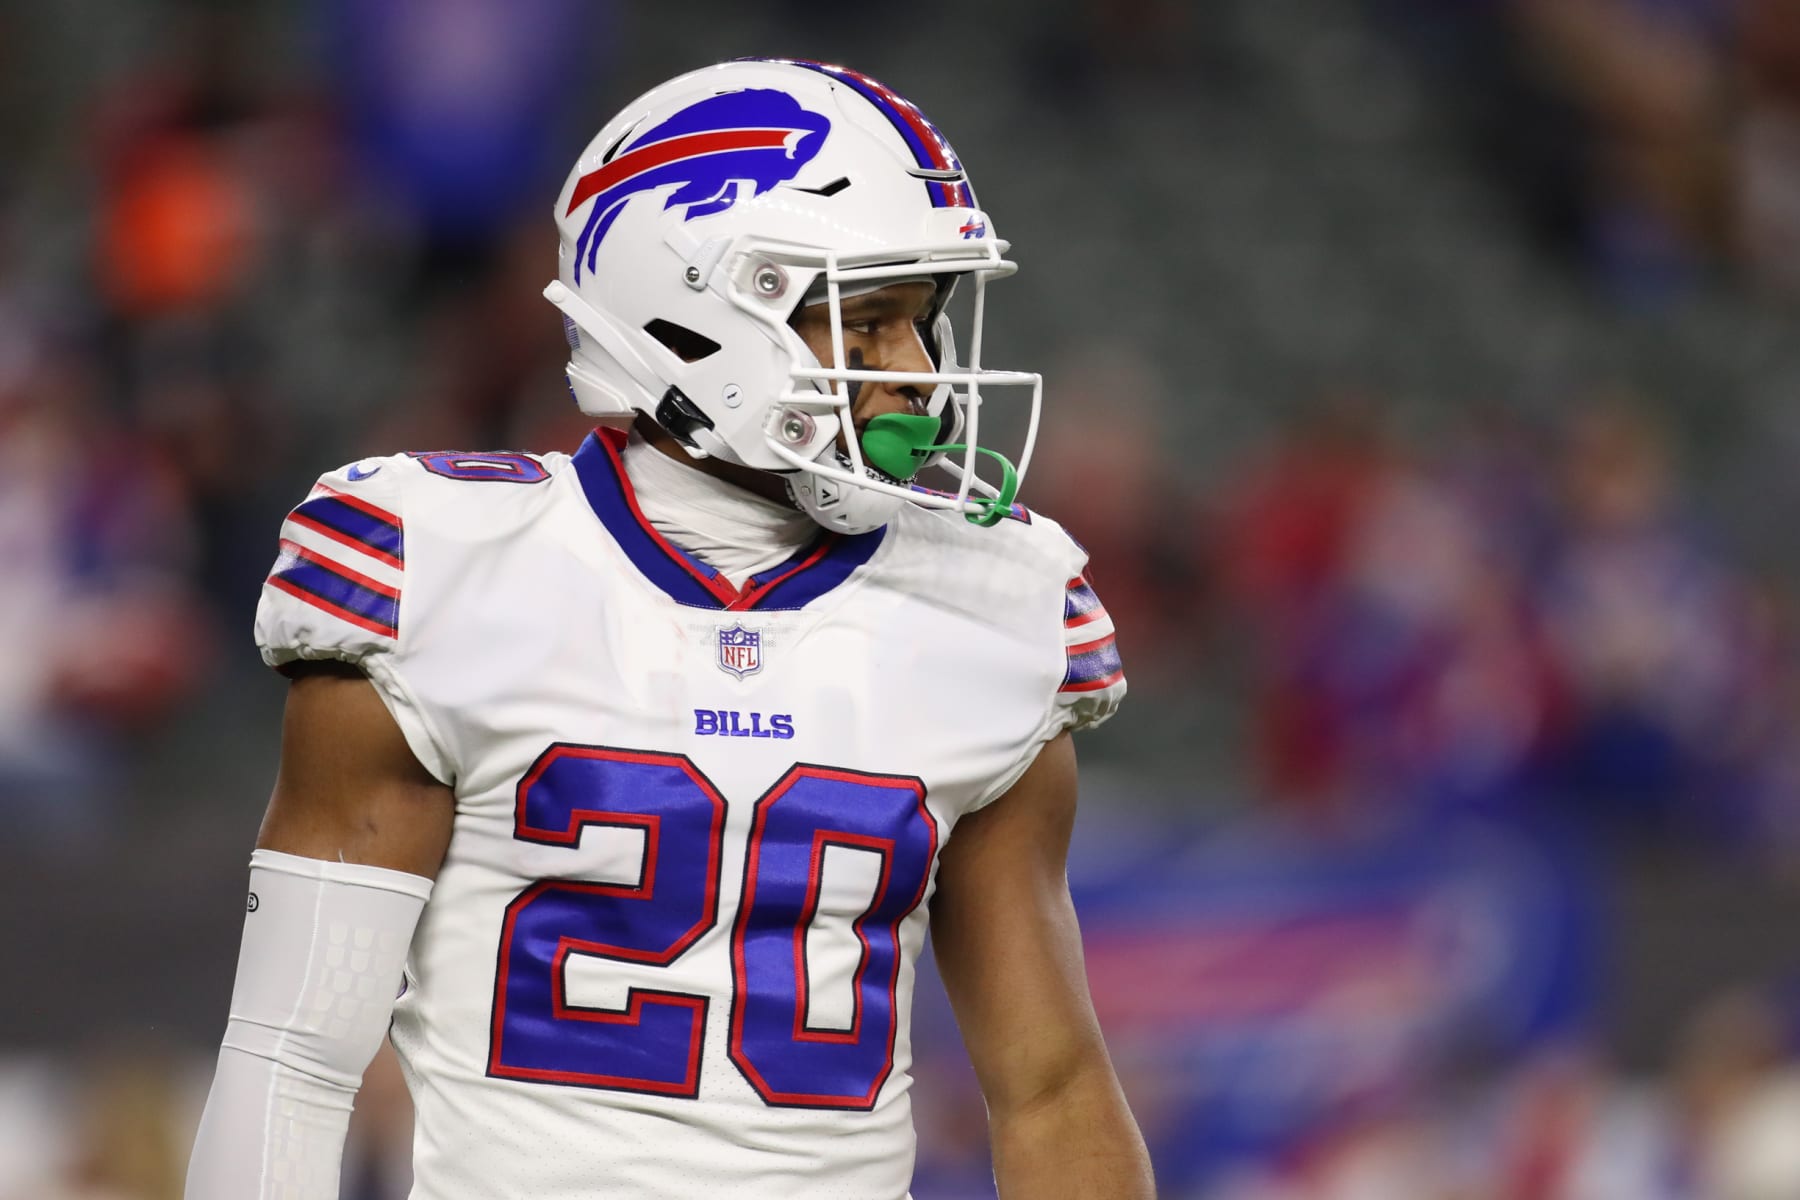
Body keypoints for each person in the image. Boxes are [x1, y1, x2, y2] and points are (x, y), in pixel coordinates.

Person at [184, 58, 1154, 1199]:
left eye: (922, 322)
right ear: (693, 316)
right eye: (870, 322)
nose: (919, 376)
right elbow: (294, 1059)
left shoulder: (995, 608)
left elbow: (1051, 1090)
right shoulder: (446, 566)